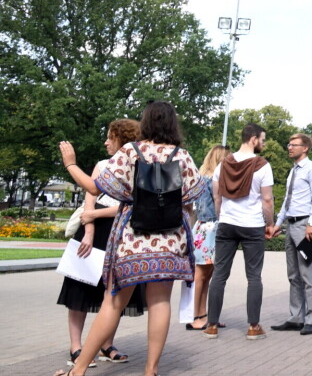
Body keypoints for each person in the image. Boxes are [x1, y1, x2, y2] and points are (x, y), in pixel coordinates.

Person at [56, 100, 206, 376]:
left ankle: (78, 370)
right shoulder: (182, 156)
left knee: (113, 301)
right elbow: (190, 200)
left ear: (146, 122)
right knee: (160, 302)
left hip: (132, 239)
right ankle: (151, 370)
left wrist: (71, 164)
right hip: (170, 241)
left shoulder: (130, 151)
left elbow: (95, 187)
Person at [57, 119, 146, 368]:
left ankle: (107, 345)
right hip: (95, 232)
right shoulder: (102, 165)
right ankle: (76, 347)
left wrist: (94, 214)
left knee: (114, 292)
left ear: (122, 139)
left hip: (120, 234)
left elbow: (132, 207)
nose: (106, 142)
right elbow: (90, 198)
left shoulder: (140, 168)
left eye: (110, 137)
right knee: (79, 288)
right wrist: (88, 230)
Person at [205, 123, 274, 340]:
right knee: (253, 276)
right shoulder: (262, 166)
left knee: (219, 275)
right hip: (252, 225)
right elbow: (267, 200)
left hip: (227, 224)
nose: (263, 144)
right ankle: (253, 327)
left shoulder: (223, 164)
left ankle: (211, 325)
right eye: (262, 140)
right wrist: (270, 224)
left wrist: (222, 216)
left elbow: (217, 197)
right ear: (253, 139)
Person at [268, 133, 312, 335]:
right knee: (293, 275)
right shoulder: (293, 171)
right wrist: (278, 223)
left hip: (304, 226)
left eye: (294, 144)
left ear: (305, 147)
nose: (289, 147)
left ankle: (311, 319)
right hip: (291, 225)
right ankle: (296, 318)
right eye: (288, 144)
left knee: (307, 274)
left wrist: (311, 223)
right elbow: (287, 199)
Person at [186, 144, 228, 332]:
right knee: (201, 276)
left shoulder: (202, 179)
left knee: (205, 276)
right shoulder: (212, 180)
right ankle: (195, 316)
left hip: (204, 228)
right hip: (211, 228)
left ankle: (203, 315)